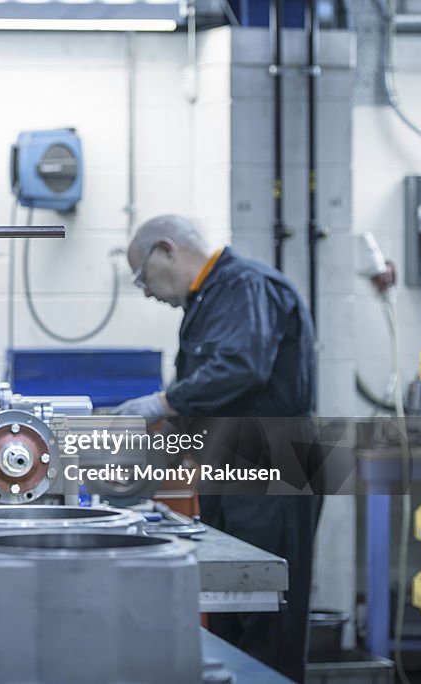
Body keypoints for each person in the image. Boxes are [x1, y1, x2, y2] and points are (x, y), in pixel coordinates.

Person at [115, 214, 322, 683]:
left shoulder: (244, 285)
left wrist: (159, 402)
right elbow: (213, 395)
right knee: (229, 603)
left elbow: (241, 367)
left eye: (142, 277)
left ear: (166, 249)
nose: (146, 291)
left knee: (269, 614)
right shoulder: (208, 302)